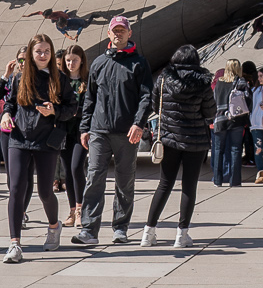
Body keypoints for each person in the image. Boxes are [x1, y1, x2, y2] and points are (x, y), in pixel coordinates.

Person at [71, 15, 154, 249]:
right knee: (94, 178)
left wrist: (139, 123)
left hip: (127, 132)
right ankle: (89, 229)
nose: (118, 34)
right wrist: (85, 127)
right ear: (108, 34)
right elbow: (90, 98)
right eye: (114, 30)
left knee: (124, 181)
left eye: (122, 30)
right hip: (99, 130)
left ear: (129, 34)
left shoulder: (139, 63)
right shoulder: (98, 63)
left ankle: (120, 228)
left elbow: (147, 96)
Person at [2, 33, 77, 262]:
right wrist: (6, 114)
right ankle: (15, 244)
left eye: (46, 51)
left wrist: (54, 110)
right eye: (38, 51)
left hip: (46, 140)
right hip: (19, 138)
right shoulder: (19, 77)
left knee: (45, 191)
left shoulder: (60, 79)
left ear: (51, 53)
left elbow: (72, 107)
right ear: (31, 53)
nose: (43, 55)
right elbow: (10, 102)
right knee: (16, 188)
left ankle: (54, 227)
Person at [141, 43, 215, 248]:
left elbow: (156, 106)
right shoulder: (203, 83)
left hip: (169, 139)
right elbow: (210, 112)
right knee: (189, 186)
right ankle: (181, 235)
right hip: (195, 140)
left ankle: (148, 233)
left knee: (164, 184)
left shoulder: (164, 80)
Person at [60, 45, 89, 227]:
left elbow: (89, 107)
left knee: (77, 167)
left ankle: (80, 209)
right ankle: (72, 210)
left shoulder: (86, 81)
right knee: (67, 173)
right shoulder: (59, 80)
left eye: (75, 60)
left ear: (81, 61)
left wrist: (73, 112)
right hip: (63, 131)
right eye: (68, 60)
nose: (71, 63)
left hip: (81, 130)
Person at [211, 58, 250, 187]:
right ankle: (235, 180)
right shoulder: (241, 82)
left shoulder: (219, 83)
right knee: (236, 149)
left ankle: (217, 179)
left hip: (220, 119)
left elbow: (214, 100)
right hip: (236, 119)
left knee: (218, 150)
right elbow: (248, 100)